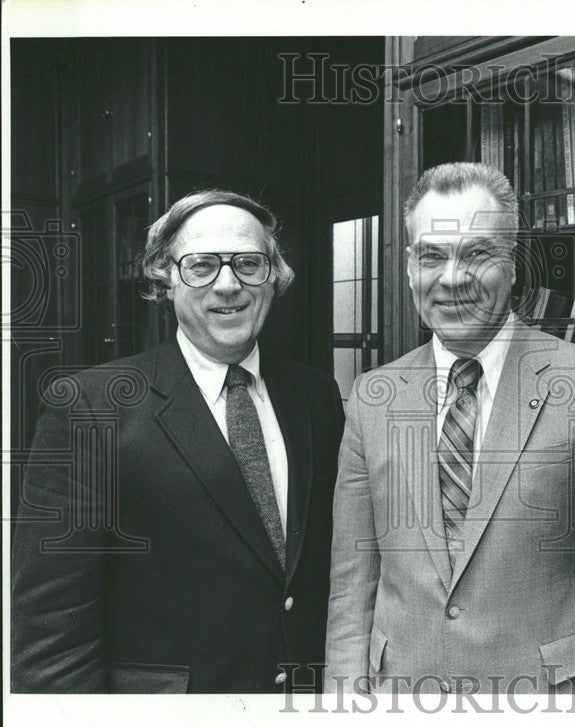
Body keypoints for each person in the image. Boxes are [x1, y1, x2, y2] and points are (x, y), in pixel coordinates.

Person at [325, 162, 575, 695]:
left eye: (476, 254)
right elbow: (351, 585)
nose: (452, 279)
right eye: (432, 256)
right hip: (400, 712)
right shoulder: (371, 398)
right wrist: (343, 708)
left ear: (514, 266)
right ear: (409, 268)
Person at [11, 190, 344, 693]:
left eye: (249, 264)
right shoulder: (90, 407)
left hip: (302, 721)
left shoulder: (316, 397)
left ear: (274, 277)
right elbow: (51, 626)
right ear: (164, 278)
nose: (228, 284)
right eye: (202, 265)